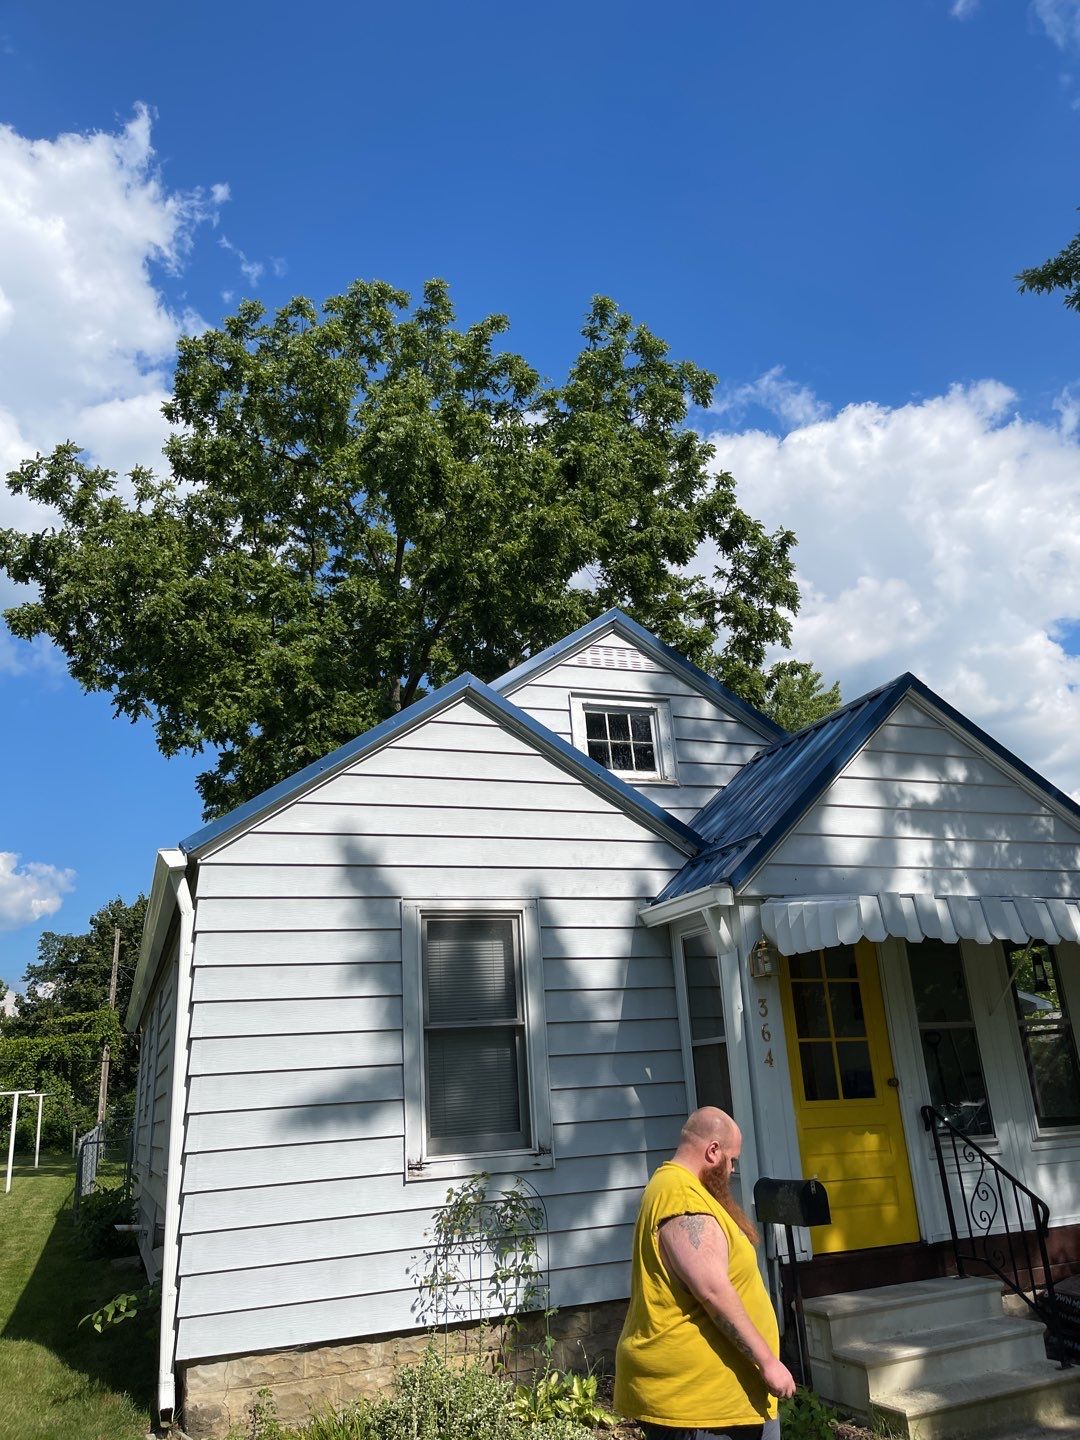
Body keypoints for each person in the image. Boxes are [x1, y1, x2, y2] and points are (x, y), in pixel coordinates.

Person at [614, 1106, 795, 1440]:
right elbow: (711, 1289)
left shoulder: (678, 1188)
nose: (732, 1169)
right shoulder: (683, 1197)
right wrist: (768, 1362)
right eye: (732, 1160)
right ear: (713, 1151)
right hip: (701, 1406)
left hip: (718, 1398)